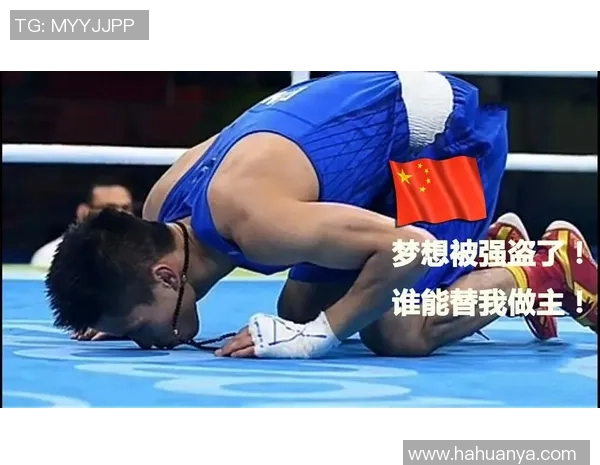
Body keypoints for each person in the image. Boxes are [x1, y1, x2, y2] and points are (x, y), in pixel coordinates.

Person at [45, 71, 598, 358]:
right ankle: (485, 252)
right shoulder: (162, 209)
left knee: (396, 331)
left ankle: (543, 269)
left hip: (443, 139)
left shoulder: (257, 222)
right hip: (374, 153)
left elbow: (411, 247)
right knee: (298, 305)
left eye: (140, 330)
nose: (146, 341)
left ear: (166, 276)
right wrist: (115, 304)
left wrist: (319, 337)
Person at [30, 182, 134, 269]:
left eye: (126, 208)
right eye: (109, 208)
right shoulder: (48, 258)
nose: (120, 215)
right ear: (84, 212)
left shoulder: (141, 257)